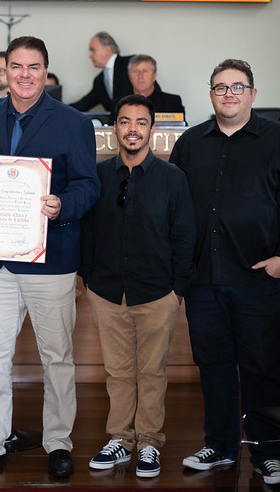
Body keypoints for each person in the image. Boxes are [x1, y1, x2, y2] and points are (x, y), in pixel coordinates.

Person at [0, 36, 99, 479]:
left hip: (52, 260)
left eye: (33, 67)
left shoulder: (75, 122)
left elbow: (88, 185)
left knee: (57, 358)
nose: (24, 75)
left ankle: (58, 442)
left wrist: (62, 205)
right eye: (16, 66)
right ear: (4, 71)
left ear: (45, 72)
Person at [169, 59, 280, 486]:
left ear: (253, 93)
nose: (228, 94)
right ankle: (220, 445)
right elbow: (174, 207)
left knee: (261, 368)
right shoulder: (190, 143)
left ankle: (267, 454)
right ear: (210, 94)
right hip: (203, 279)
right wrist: (179, 267)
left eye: (237, 87)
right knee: (212, 365)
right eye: (220, 87)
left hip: (257, 278)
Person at [79, 94, 195, 479]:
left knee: (152, 373)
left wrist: (178, 289)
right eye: (125, 121)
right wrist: (89, 278)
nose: (132, 129)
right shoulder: (98, 175)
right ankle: (119, 439)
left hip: (158, 293)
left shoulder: (173, 178)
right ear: (115, 127)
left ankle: (148, 443)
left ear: (152, 129)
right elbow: (87, 231)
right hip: (107, 291)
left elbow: (184, 235)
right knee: (118, 373)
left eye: (140, 122)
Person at [69, 32, 133, 113]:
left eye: (93, 50)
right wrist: (59, 108)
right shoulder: (99, 80)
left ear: (107, 49)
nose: (90, 55)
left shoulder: (131, 64)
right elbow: (84, 104)